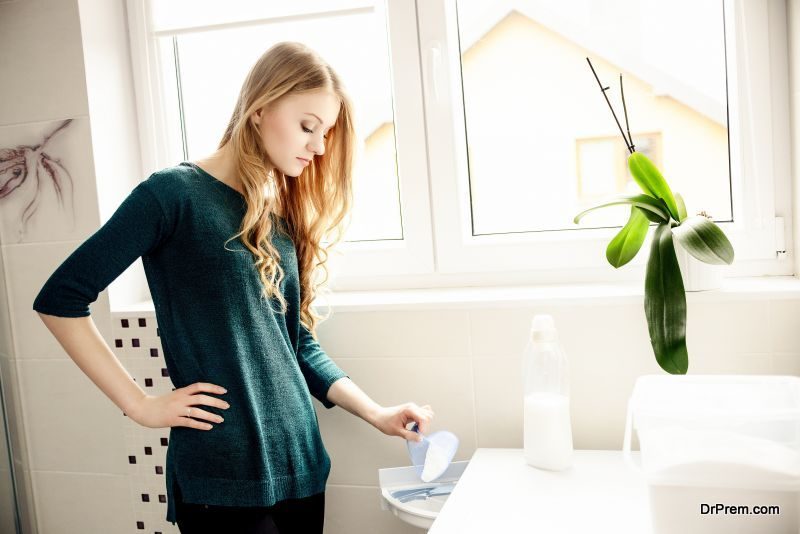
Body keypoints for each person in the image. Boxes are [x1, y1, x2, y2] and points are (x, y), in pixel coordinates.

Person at [32, 41, 434, 534]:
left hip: (301, 464)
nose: (319, 146)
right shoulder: (172, 195)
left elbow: (296, 343)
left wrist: (378, 413)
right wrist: (139, 404)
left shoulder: (280, 215)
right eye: (308, 126)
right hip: (219, 476)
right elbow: (60, 299)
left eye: (325, 132)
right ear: (261, 108)